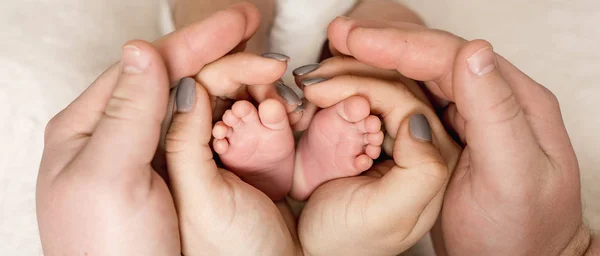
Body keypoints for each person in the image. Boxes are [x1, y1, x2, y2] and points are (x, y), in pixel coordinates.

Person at [36, 2, 598, 256]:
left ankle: (267, 144)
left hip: (235, 236)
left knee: (218, 29)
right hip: (354, 232)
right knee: (390, 32)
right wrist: (562, 251)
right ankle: (351, 74)